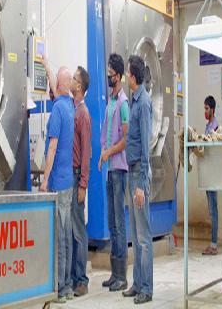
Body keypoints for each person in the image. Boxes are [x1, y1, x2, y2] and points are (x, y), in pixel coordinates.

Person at [39, 66, 75, 304]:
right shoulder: (69, 106)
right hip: (68, 182)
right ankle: (68, 285)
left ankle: (60, 288)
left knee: (59, 237)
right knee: (67, 233)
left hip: (57, 183)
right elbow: (58, 87)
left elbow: (51, 147)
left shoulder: (57, 111)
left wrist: (44, 180)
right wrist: (46, 65)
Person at [122, 55, 153, 305]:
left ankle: (147, 289)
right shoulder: (133, 100)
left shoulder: (143, 104)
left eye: (126, 73)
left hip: (139, 175)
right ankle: (137, 283)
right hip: (131, 172)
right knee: (135, 233)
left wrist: (141, 184)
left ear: (133, 76)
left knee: (143, 237)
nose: (124, 77)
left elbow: (145, 147)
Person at [99, 53, 130, 292]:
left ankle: (122, 276)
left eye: (110, 74)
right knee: (111, 222)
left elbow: (126, 140)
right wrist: (103, 154)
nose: (108, 76)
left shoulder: (123, 103)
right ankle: (114, 273)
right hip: (110, 169)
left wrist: (109, 152)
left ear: (118, 76)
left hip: (119, 169)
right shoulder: (111, 101)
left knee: (119, 223)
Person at [70, 66, 92, 297]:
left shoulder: (83, 114)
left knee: (78, 231)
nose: (71, 80)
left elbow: (86, 153)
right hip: (71, 176)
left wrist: (83, 184)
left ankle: (82, 281)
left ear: (79, 86)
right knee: (72, 229)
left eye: (74, 78)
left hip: (77, 177)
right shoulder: (72, 108)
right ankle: (73, 278)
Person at [202, 95, 219, 256]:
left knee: (213, 209)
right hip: (208, 172)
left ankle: (214, 245)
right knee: (211, 209)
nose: (205, 111)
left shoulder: (215, 127)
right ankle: (212, 244)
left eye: (207, 108)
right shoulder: (208, 126)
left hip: (213, 172)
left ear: (212, 109)